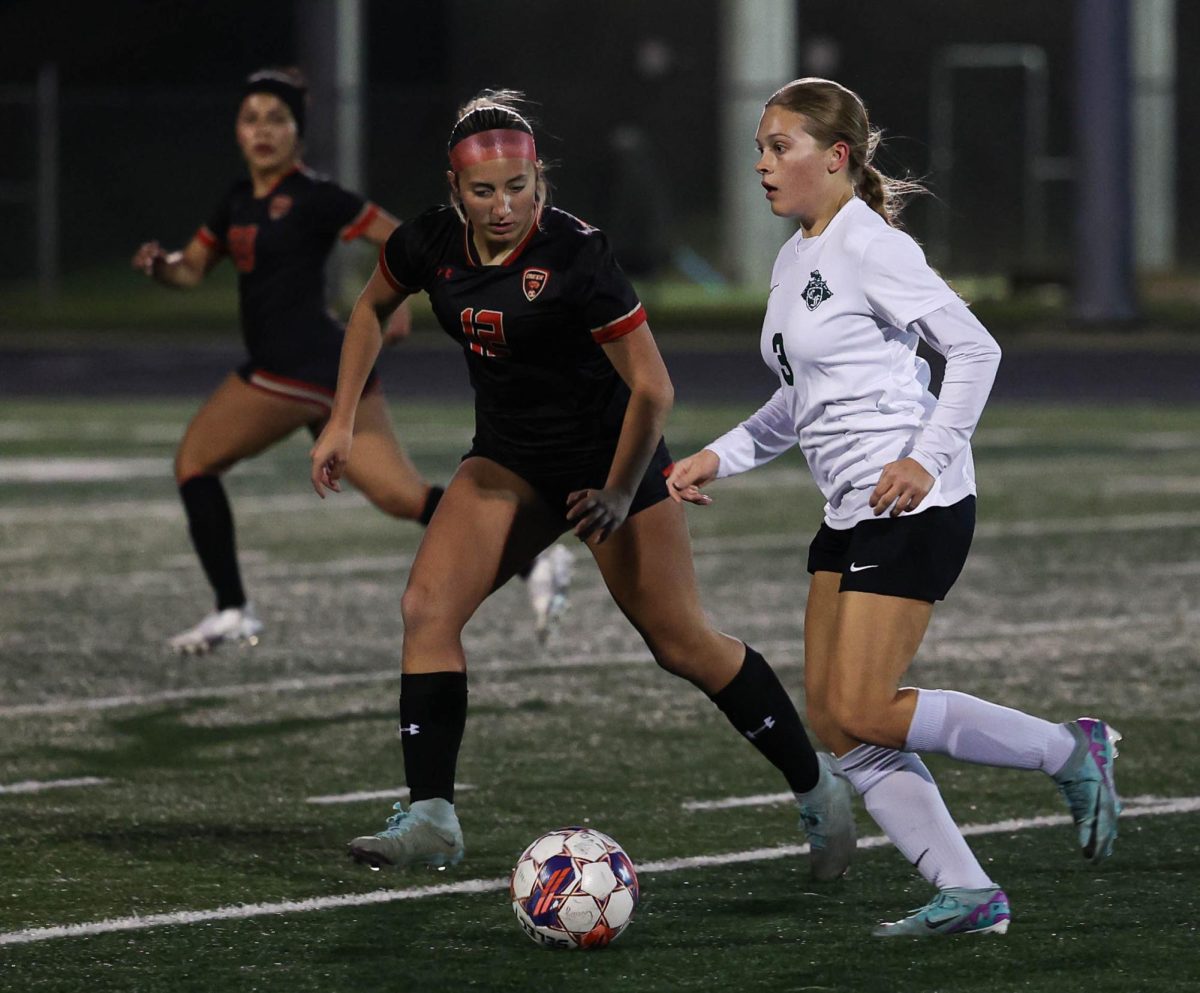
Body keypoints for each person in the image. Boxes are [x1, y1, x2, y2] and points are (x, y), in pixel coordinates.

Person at [309, 89, 854, 879]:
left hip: (610, 461)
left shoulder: (576, 254)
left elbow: (653, 390)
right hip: (508, 461)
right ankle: (432, 812)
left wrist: (622, 491)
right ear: (454, 191)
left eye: (520, 187)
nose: (504, 206)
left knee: (682, 643)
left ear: (541, 180)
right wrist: (341, 419)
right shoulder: (428, 241)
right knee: (426, 608)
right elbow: (369, 308)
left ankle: (816, 783)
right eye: (484, 191)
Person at [667, 77, 1122, 937]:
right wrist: (716, 455)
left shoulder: (870, 246)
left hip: (916, 502)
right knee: (838, 722)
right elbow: (796, 403)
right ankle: (969, 891)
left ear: (835, 158)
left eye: (780, 147)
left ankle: (1071, 751)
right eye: (759, 148)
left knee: (868, 705)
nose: (762, 164)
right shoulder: (797, 253)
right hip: (851, 507)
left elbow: (975, 349)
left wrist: (924, 456)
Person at [133, 69, 572, 653]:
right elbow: (189, 269)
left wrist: (397, 297)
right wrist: (161, 266)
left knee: (194, 462)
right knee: (401, 496)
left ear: (298, 132)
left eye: (276, 118)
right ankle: (534, 558)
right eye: (251, 118)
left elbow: (399, 236)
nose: (262, 130)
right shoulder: (236, 201)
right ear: (237, 132)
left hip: (297, 365)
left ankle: (234, 609)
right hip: (326, 370)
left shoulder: (316, 196)